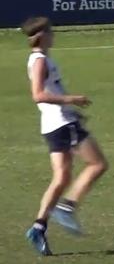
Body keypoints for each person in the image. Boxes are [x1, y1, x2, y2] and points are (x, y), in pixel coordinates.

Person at [22, 17, 109, 256]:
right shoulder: (40, 61)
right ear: (43, 35)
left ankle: (38, 227)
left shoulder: (37, 59)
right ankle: (67, 206)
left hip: (53, 123)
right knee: (98, 164)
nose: (54, 34)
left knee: (61, 177)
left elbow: (49, 91)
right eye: (51, 31)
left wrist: (71, 110)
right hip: (61, 122)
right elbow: (38, 95)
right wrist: (71, 101)